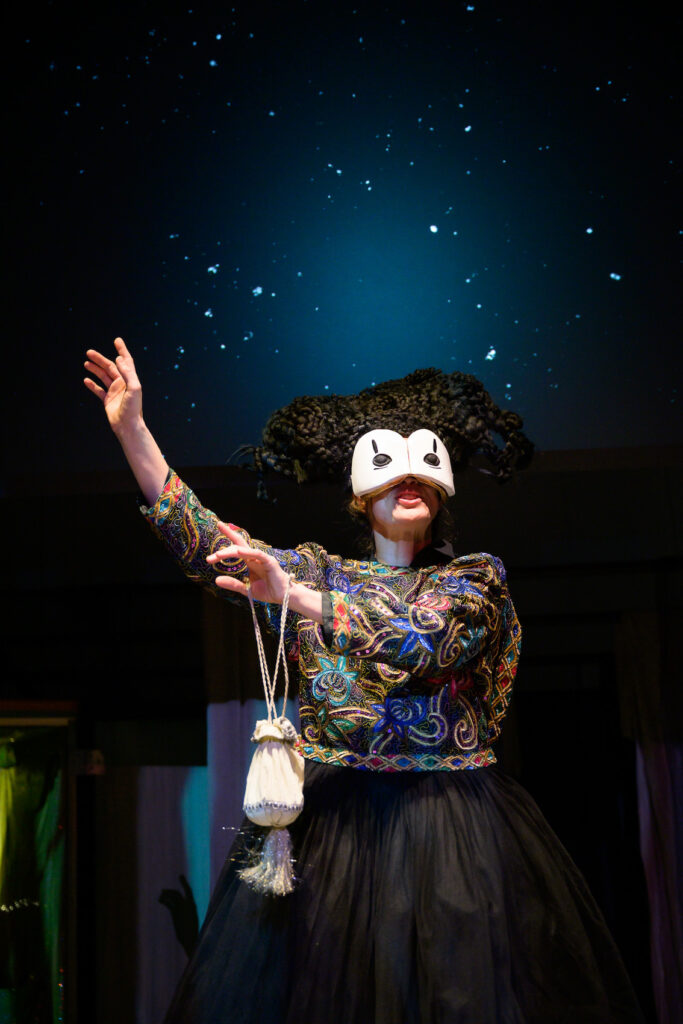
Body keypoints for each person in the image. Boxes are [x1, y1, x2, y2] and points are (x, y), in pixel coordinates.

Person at [84, 338, 645, 1024]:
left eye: (422, 476)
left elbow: (427, 638)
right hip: (336, 827)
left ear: (442, 492)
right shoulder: (316, 571)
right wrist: (134, 432)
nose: (408, 484)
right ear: (358, 496)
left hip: (446, 825)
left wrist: (296, 597)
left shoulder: (473, 580)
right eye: (389, 474)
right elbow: (209, 547)